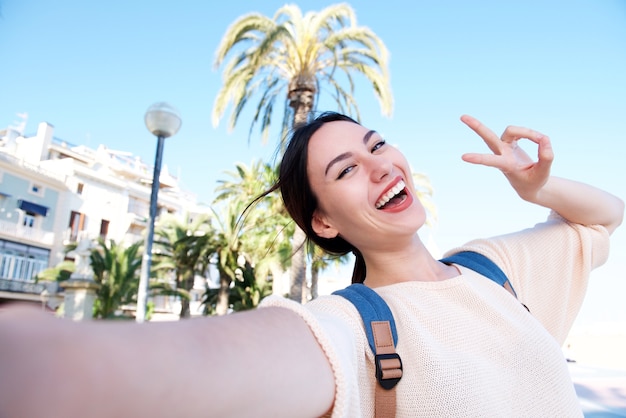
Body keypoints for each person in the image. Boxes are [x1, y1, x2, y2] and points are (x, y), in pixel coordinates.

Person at [0, 112, 622, 418]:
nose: (380, 165)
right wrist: (39, 351)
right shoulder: (350, 329)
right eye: (347, 170)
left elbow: (603, 218)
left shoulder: (495, 269)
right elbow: (215, 361)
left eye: (376, 145)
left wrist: (539, 191)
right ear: (323, 223)